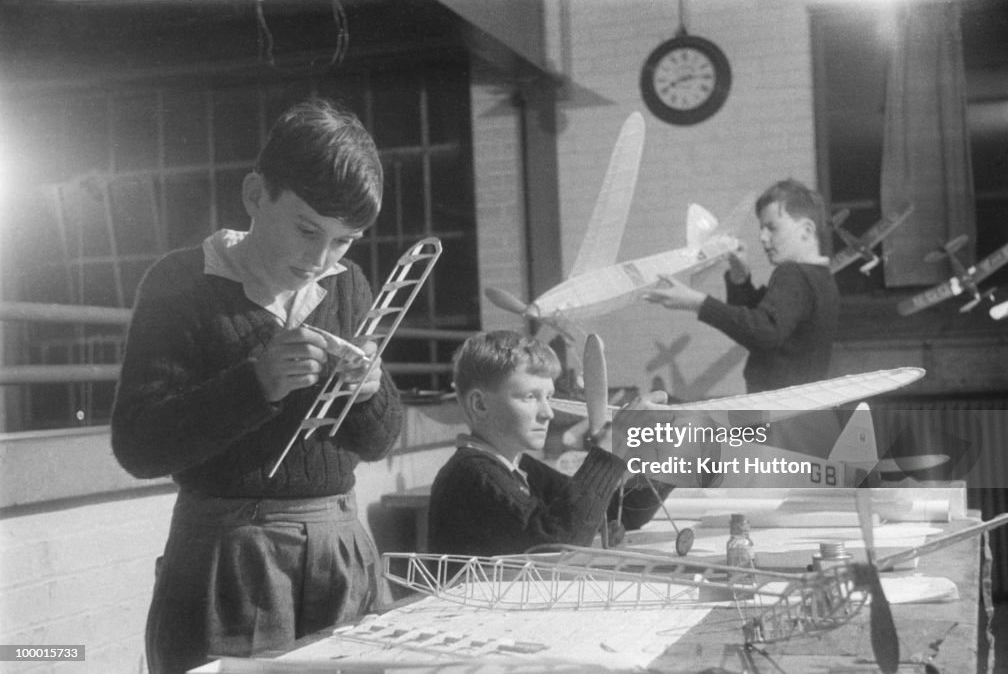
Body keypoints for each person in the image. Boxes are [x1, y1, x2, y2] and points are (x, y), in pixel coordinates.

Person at [111, 98, 403, 674]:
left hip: (339, 543)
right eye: (306, 229)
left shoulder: (350, 285)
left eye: (345, 239)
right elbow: (138, 446)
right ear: (254, 195)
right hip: (228, 552)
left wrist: (370, 392)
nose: (321, 258)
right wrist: (256, 384)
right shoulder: (179, 282)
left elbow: (379, 442)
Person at [427, 330, 666, 557]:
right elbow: (558, 544)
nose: (548, 413)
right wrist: (610, 447)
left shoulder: (520, 466)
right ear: (480, 405)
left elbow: (611, 513)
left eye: (549, 397)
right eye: (530, 397)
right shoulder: (473, 473)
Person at [644, 179, 839, 394]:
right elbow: (767, 327)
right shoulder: (821, 279)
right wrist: (740, 277)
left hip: (778, 415)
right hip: (802, 410)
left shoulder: (792, 274)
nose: (762, 237)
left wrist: (698, 303)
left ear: (806, 230)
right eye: (761, 228)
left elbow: (765, 332)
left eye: (772, 228)